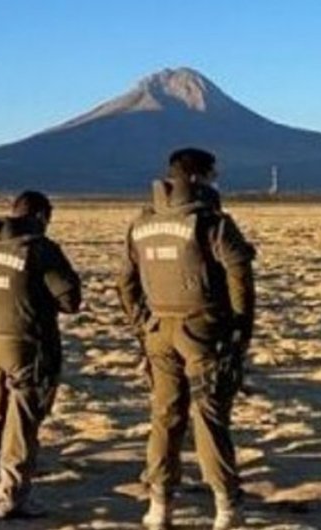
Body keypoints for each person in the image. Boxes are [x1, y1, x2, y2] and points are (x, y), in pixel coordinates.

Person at [117, 148, 256, 530]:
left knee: (165, 415)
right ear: (198, 177)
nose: (216, 182)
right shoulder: (212, 222)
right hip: (204, 331)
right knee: (209, 416)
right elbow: (240, 276)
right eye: (213, 175)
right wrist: (240, 331)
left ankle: (159, 506)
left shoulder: (141, 224)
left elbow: (125, 282)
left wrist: (142, 324)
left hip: (158, 330)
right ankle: (226, 506)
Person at [0, 190, 81, 519]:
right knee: (22, 419)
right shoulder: (40, 250)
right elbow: (70, 300)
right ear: (40, 217)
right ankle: (13, 495)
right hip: (28, 342)